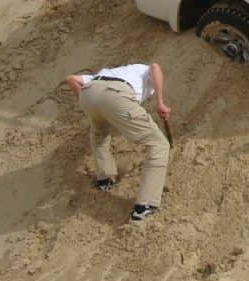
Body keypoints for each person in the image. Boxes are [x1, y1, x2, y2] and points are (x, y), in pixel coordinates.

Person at [65, 63, 171, 222]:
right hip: (116, 94)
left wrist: (91, 105)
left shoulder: (108, 73)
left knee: (98, 133)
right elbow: (155, 66)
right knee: (159, 144)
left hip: (89, 94)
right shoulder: (142, 69)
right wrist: (160, 102)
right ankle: (145, 205)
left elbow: (70, 79)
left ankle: (104, 179)